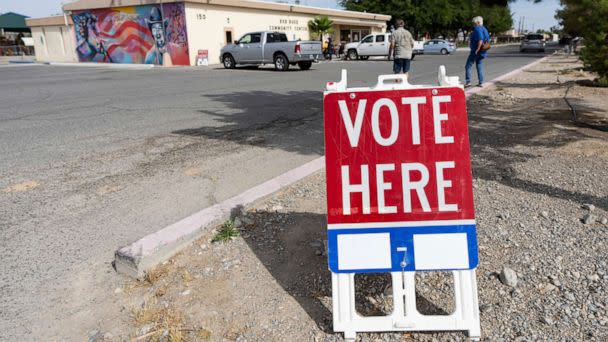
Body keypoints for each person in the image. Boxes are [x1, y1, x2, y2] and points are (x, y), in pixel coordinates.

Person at [465, 16, 490, 87]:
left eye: (474, 23)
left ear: (478, 22)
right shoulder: (484, 29)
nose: (473, 24)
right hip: (483, 51)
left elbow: (480, 39)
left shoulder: (477, 28)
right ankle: (481, 82)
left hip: (476, 51)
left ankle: (468, 81)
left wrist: (477, 49)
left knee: (468, 66)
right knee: (479, 66)